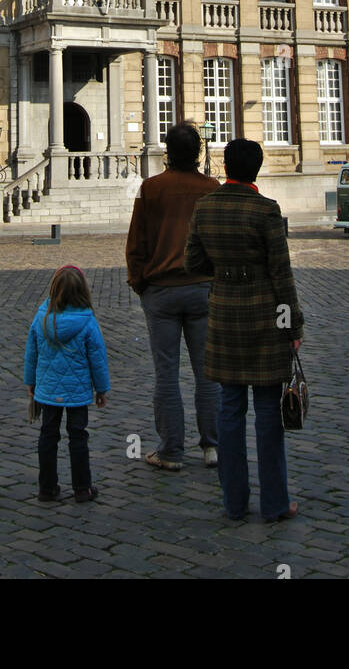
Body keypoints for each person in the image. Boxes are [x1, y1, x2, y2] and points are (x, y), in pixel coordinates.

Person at [184, 138, 304, 522]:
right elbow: (281, 276)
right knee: (268, 412)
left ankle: (234, 503)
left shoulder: (205, 208)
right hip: (265, 319)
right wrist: (293, 325)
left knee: (230, 409)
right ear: (257, 168)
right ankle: (274, 503)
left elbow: (193, 262)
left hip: (223, 317)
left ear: (226, 167)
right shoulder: (266, 210)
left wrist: (225, 274)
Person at [126, 122, 221, 471]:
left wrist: (142, 284)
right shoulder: (212, 188)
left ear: (167, 151)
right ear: (198, 152)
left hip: (162, 291)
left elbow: (136, 244)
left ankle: (171, 451)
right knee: (207, 373)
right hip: (202, 289)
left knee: (166, 374)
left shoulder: (151, 189)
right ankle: (212, 448)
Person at [24, 264, 110, 503]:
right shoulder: (87, 321)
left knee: (48, 435)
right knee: (78, 437)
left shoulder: (41, 317)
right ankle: (82, 487)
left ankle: (47, 487)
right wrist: (101, 389)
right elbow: (98, 358)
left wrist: (30, 382)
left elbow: (31, 353)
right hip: (77, 392)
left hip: (48, 389)